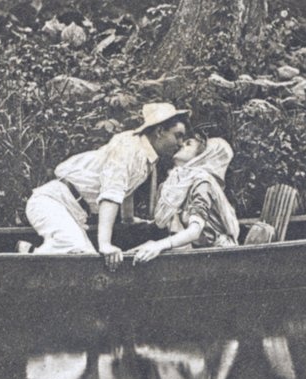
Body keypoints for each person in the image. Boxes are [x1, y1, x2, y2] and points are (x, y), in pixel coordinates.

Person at [21, 103, 189, 271]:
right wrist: (105, 244)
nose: (181, 143)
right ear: (159, 131)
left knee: (85, 258)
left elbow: (126, 188)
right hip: (50, 203)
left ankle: (28, 252)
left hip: (73, 213)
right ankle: (25, 257)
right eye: (178, 135)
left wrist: (128, 220)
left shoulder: (145, 153)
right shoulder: (128, 148)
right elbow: (111, 194)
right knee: (77, 252)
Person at [132, 136, 241, 264]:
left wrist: (158, 245)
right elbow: (167, 225)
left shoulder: (202, 183)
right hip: (191, 252)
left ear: (203, 156)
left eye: (188, 144)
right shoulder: (176, 183)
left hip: (216, 257)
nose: (181, 144)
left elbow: (195, 231)